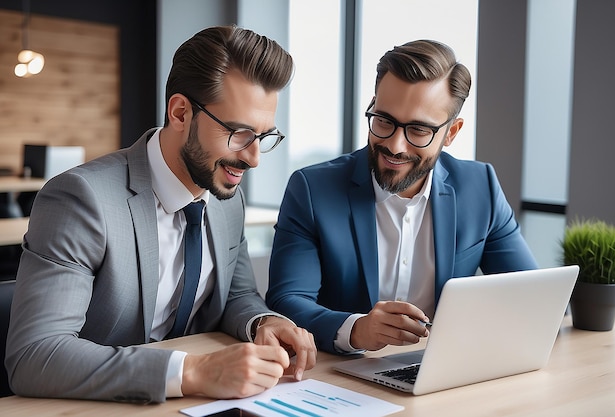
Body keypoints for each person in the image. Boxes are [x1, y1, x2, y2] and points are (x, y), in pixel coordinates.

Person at [5, 25, 316, 403]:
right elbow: (35, 356)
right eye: (239, 133)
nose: (253, 158)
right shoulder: (82, 199)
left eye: (264, 137)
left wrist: (263, 322)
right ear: (181, 112)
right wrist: (194, 372)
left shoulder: (226, 198)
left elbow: (237, 297)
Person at [266, 39, 538, 355]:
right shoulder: (312, 189)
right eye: (384, 121)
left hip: (442, 370)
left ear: (451, 132)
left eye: (418, 130)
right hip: (344, 373)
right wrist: (356, 329)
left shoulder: (481, 188)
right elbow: (287, 301)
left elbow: (530, 299)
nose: (395, 146)